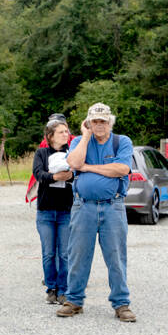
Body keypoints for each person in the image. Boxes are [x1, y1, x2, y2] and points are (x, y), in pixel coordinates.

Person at [57, 102, 136, 322]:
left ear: (110, 121)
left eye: (103, 121)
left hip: (113, 206)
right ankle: (74, 300)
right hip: (83, 206)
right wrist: (84, 136)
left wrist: (89, 168)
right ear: (88, 123)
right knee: (78, 254)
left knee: (116, 257)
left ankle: (121, 304)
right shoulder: (79, 141)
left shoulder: (122, 142)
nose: (99, 125)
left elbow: (122, 169)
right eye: (94, 121)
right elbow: (73, 162)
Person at [32, 119, 74, 304]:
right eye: (61, 132)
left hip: (66, 210)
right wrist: (55, 176)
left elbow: (79, 172)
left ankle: (63, 289)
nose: (66, 135)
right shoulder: (41, 153)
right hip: (46, 211)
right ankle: (51, 288)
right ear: (50, 136)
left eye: (67, 131)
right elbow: (38, 174)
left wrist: (71, 175)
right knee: (49, 252)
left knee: (64, 253)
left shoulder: (72, 154)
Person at [25, 113, 74, 204]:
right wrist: (54, 175)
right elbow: (40, 170)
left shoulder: (74, 141)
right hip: (47, 193)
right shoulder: (45, 144)